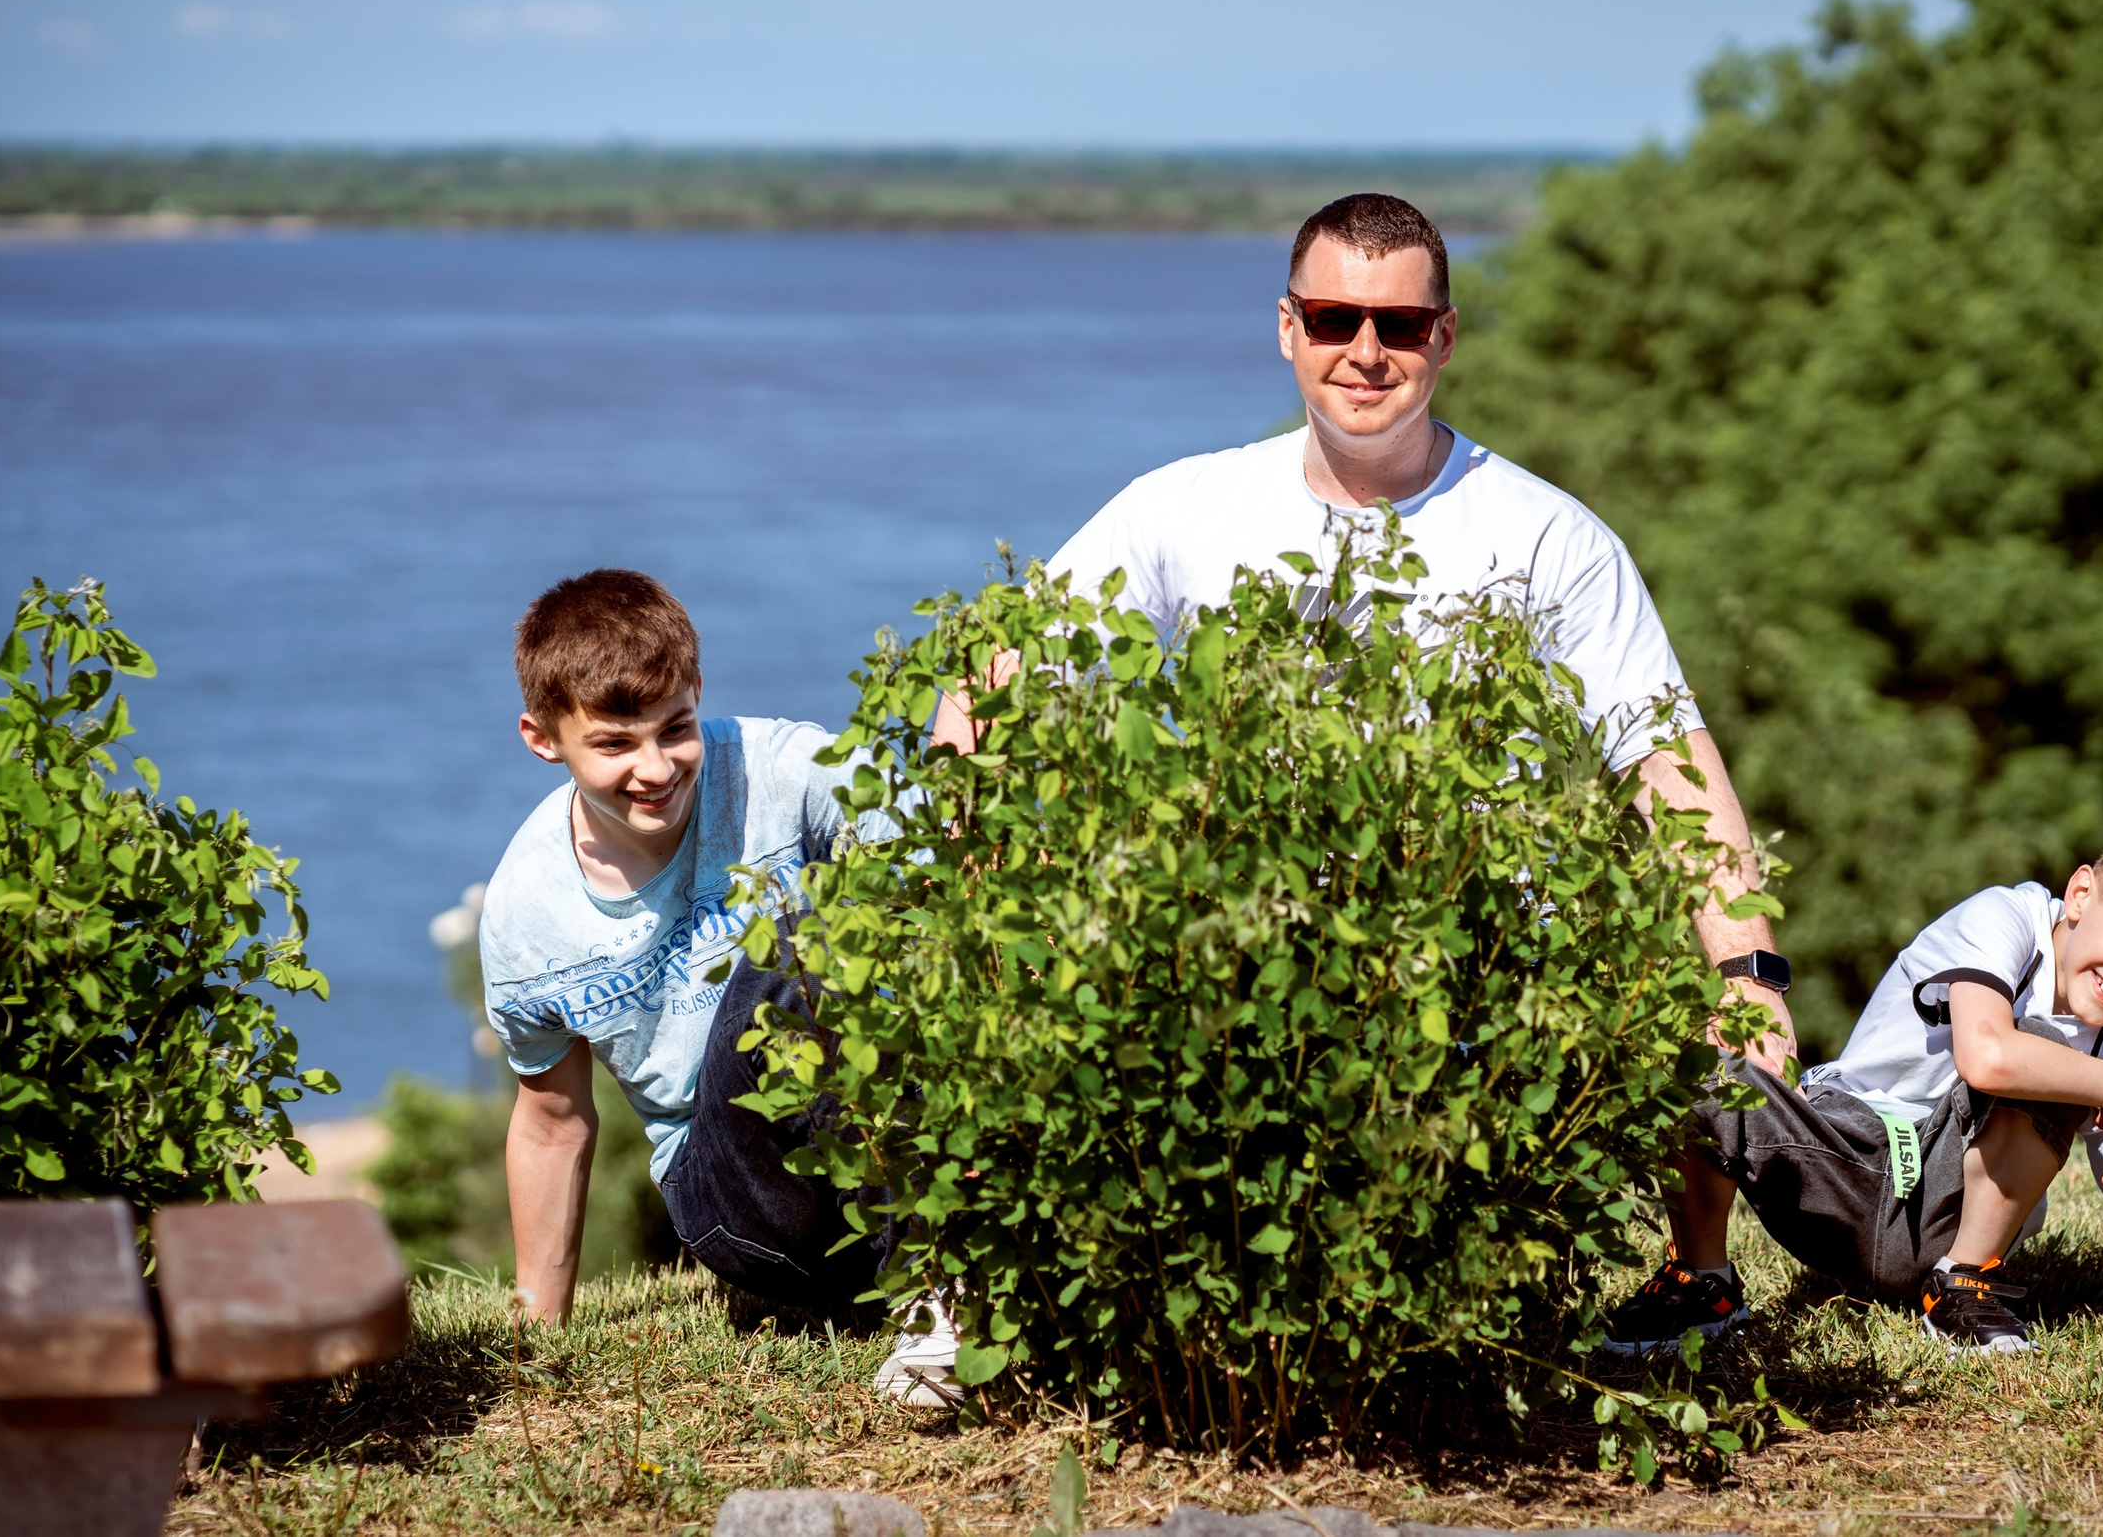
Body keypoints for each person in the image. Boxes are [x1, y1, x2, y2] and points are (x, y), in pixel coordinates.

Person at [909, 192, 1797, 1392]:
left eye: (1396, 322)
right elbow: (989, 680)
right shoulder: (1189, 505)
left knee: (1430, 1345)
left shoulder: (1549, 537)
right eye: (1334, 317)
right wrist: (974, 877)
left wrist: (1749, 974)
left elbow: (1666, 759)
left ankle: (1691, 1277)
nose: (1363, 351)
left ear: (1443, 336)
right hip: (1239, 973)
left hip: (1479, 995)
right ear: (1287, 328)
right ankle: (966, 1297)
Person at [1601, 809, 2103, 1357]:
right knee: (1696, 1058)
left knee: (2049, 1054)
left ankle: (1963, 1283)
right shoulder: (2002, 918)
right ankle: (1703, 1281)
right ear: (2080, 893)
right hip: (1843, 1158)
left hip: (1942, 1216)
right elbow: (1986, 1056)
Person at [477, 569, 893, 1331]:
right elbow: (553, 1123)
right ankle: (941, 1291)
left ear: (697, 689)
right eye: (613, 744)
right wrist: (534, 1337)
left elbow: (950, 867)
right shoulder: (524, 914)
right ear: (543, 739)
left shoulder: (789, 770)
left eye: (675, 728)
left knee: (865, 909)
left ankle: (953, 1249)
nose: (657, 769)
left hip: (876, 1137)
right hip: (743, 1207)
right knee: (800, 945)